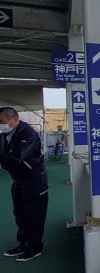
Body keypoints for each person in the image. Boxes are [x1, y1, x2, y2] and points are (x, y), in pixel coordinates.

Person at [0, 107, 48, 262]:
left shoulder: (28, 134)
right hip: (18, 179)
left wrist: (4, 158)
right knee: (20, 213)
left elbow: (18, 158)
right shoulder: (5, 134)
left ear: (14, 120)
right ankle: (23, 243)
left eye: (1, 121)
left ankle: (34, 247)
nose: (0, 125)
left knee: (34, 215)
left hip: (34, 180)